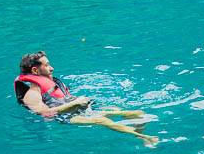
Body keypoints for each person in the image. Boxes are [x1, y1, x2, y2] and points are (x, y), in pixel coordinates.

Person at [14, 50, 158, 147]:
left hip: (77, 109)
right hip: (65, 116)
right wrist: (76, 103)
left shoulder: (52, 83)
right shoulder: (32, 94)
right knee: (101, 120)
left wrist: (77, 101)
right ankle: (144, 138)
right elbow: (46, 113)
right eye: (47, 65)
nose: (52, 68)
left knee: (131, 112)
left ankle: (138, 126)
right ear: (35, 70)